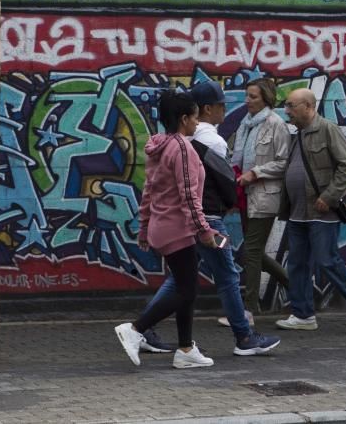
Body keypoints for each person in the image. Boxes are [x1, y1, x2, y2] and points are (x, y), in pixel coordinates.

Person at [138, 81, 281, 357]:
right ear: (204, 109)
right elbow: (221, 180)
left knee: (182, 278)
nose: (224, 110)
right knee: (226, 274)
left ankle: (152, 331)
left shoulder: (166, 141)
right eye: (220, 105)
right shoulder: (208, 140)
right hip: (207, 219)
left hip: (181, 220)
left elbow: (151, 187)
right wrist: (222, 210)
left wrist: (144, 225)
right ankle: (243, 336)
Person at [114, 91, 219, 368]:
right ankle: (136, 329)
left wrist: (145, 227)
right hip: (177, 227)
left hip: (163, 225)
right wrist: (204, 229)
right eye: (195, 117)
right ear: (184, 118)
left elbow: (149, 190)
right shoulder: (182, 148)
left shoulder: (158, 145)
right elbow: (188, 194)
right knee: (187, 290)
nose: (197, 123)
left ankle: (185, 350)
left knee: (186, 287)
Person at [275, 88, 346, 331]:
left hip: (322, 211)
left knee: (325, 259)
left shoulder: (327, 129)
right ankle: (303, 315)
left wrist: (329, 197)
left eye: (291, 106)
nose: (287, 111)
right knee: (297, 263)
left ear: (308, 107)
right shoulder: (298, 134)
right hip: (298, 211)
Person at [230, 78, 291, 319]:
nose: (247, 101)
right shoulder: (245, 125)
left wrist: (255, 173)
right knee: (254, 252)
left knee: (251, 252)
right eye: (246, 96)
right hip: (245, 195)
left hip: (265, 197)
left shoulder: (276, 124)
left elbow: (283, 162)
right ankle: (297, 288)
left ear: (266, 98)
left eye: (253, 97)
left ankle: (249, 309)